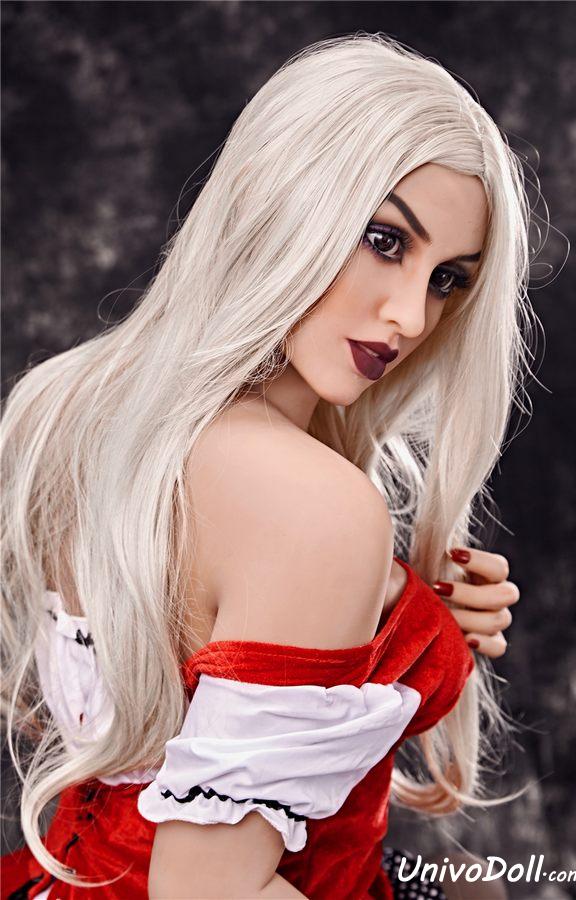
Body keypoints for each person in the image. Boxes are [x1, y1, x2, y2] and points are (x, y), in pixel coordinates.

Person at [0, 31, 536, 899]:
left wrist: (402, 614)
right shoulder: (313, 506)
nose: (409, 316)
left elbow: (170, 668)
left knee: (474, 882)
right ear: (282, 200)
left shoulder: (73, 400)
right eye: (384, 240)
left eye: (448, 280)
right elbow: (206, 889)